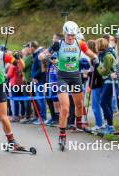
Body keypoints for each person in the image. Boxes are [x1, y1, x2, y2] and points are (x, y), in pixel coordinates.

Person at [39, 21, 97, 149]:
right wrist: (43, 56)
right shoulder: (58, 44)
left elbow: (90, 53)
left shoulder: (80, 43)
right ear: (65, 34)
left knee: (79, 104)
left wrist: (96, 58)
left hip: (75, 77)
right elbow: (42, 55)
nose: (70, 38)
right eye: (68, 35)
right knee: (65, 108)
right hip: (62, 78)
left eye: (73, 35)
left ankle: (79, 123)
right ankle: (62, 133)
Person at [96, 38, 117, 134]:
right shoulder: (102, 55)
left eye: (97, 44)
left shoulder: (107, 56)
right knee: (106, 103)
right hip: (106, 80)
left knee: (103, 102)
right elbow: (102, 69)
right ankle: (109, 125)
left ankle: (111, 126)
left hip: (110, 81)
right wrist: (101, 68)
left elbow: (104, 71)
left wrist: (99, 68)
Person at [7, 51, 25, 122]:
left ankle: (16, 116)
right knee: (22, 100)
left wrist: (5, 74)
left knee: (15, 100)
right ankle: (23, 114)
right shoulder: (21, 64)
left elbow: (9, 75)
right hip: (21, 83)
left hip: (14, 84)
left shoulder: (13, 65)